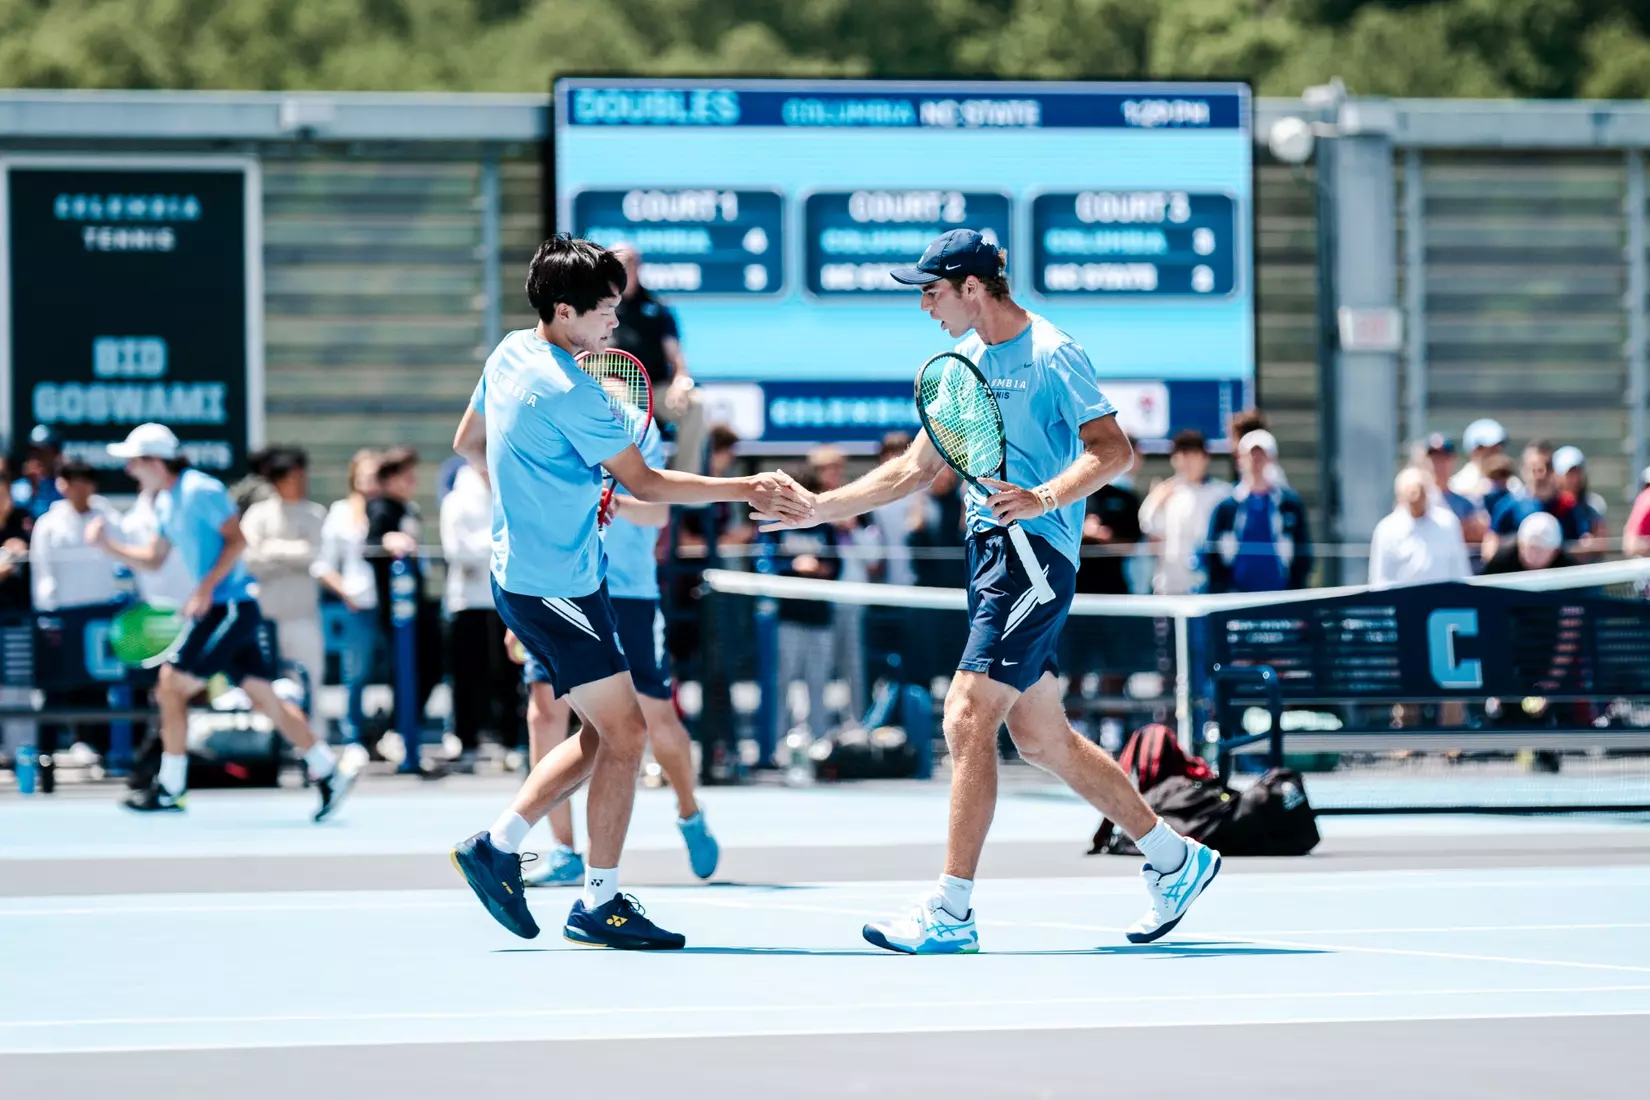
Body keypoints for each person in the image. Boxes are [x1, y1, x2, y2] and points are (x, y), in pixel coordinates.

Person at [755, 228, 1219, 954]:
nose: (925, 307)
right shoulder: (958, 366)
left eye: (932, 292)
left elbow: (1113, 452)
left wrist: (1043, 495)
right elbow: (910, 471)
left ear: (974, 287)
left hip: (1033, 558)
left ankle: (951, 911)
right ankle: (1173, 858)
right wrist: (818, 507)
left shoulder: (1054, 354)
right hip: (991, 557)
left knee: (966, 714)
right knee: (1040, 738)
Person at [446, 234, 810, 949]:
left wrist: (545, 489)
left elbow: (468, 443)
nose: (616, 322)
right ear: (564, 309)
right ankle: (593, 899)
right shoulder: (572, 391)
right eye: (606, 311)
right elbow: (647, 484)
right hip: (557, 586)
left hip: (534, 573)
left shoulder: (510, 354)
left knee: (606, 732)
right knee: (628, 731)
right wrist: (748, 486)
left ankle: (505, 849)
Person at [87, 423, 356, 819]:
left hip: (230, 608)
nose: (129, 470)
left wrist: (205, 588)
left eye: (134, 462)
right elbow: (154, 557)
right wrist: (106, 546)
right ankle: (328, 771)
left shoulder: (201, 489)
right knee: (264, 697)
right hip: (219, 607)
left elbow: (238, 539)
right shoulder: (163, 501)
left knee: (170, 684)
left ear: (155, 461)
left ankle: (171, 787)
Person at [514, 417, 719, 888]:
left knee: (653, 718)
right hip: (556, 590)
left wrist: (618, 502)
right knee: (544, 713)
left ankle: (689, 811)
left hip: (627, 596)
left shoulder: (636, 432)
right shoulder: (551, 424)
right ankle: (564, 849)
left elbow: (658, 512)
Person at [440, 460, 521, 770]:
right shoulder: (456, 500)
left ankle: (510, 741)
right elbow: (457, 552)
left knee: (508, 673)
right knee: (468, 674)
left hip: (508, 598)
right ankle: (467, 740)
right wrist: (497, 547)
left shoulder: (511, 492)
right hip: (469, 601)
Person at [241, 449, 334, 713]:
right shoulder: (258, 515)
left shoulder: (314, 514)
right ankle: (268, 747)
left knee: (310, 685)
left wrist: (272, 549)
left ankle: (312, 744)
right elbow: (249, 559)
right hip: (264, 619)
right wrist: (292, 552)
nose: (300, 481)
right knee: (262, 688)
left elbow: (316, 556)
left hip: (303, 617)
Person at [758, 465, 845, 748]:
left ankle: (820, 744)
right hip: (786, 616)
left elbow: (837, 565)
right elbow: (764, 564)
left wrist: (820, 569)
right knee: (781, 682)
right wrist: (793, 567)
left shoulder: (825, 524)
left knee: (819, 683)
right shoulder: (773, 525)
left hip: (820, 615)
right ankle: (775, 745)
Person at [367, 446, 443, 748]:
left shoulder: (409, 509)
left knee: (431, 665)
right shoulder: (381, 507)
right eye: (405, 476)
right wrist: (389, 540)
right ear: (388, 479)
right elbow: (372, 540)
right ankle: (395, 729)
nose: (412, 481)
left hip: (417, 600)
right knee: (407, 668)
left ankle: (404, 725)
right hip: (398, 608)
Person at [609, 243, 708, 473]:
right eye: (620, 263)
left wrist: (681, 383)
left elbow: (677, 360)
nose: (626, 268)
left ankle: (686, 485)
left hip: (656, 389)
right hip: (617, 388)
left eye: (631, 263)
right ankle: (630, 477)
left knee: (695, 403)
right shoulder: (600, 306)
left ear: (639, 266)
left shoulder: (657, 309)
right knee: (620, 400)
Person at [317, 450, 381, 745]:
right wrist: (346, 592)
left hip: (394, 604)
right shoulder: (342, 511)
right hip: (359, 603)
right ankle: (352, 735)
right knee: (356, 672)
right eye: (363, 475)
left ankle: (392, 732)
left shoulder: (392, 508)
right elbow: (323, 565)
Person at [1204, 430, 1313, 594]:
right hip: (1236, 599)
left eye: (1262, 455)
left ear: (1272, 460)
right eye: (1251, 455)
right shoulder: (1226, 506)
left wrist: (1296, 592)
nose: (1256, 461)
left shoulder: (1289, 504)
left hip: (1280, 597)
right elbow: (1211, 555)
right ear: (1239, 460)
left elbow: (1303, 554)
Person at [1138, 429, 1230, 595]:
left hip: (1212, 584)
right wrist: (1156, 504)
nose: (1187, 460)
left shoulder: (1223, 493)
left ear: (1205, 457)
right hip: (1171, 584)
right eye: (1181, 454)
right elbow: (1149, 527)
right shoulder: (1164, 492)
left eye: (1193, 454)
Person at [1368, 468, 1471, 588]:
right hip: (1403, 603)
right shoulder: (1385, 530)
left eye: (1421, 489)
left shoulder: (1448, 523)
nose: (1416, 495)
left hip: (1442, 601)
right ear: (1399, 495)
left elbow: (1460, 569)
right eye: (1410, 490)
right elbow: (1379, 579)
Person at [1484, 439, 1585, 561]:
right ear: (1524, 470)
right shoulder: (1508, 506)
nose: (1539, 474)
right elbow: (1491, 545)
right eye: (1533, 468)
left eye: (1546, 466)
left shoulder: (1568, 507)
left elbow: (1582, 546)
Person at [1076, 439, 1142, 594]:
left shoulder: (1126, 498)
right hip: (1075, 589)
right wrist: (1083, 532)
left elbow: (1132, 546)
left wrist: (1104, 536)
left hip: (1114, 587)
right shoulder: (1066, 499)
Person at [1415, 434, 1487, 553]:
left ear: (1453, 459)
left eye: (1444, 457)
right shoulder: (1415, 498)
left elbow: (1479, 536)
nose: (1438, 463)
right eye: (1434, 457)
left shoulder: (1465, 501)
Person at [869, 432, 917, 586]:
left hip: (925, 583)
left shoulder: (927, 496)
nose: (894, 460)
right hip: (887, 588)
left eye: (901, 453)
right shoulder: (872, 499)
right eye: (889, 454)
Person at [1553, 446, 1608, 559]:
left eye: (1578, 472)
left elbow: (1602, 543)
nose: (1575, 478)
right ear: (1557, 476)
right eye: (1569, 473)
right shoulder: (1550, 505)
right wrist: (1574, 548)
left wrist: (1592, 544)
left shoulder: (1595, 504)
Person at [1481, 510, 1578, 575]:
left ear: (1555, 551)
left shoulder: (1568, 571)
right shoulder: (1500, 563)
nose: (1533, 555)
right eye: (1530, 547)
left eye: (1540, 549)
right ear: (1520, 544)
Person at [1451, 418, 1517, 504]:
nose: (1495, 454)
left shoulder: (1513, 484)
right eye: (1489, 449)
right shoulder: (1459, 484)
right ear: (1473, 451)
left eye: (1498, 447)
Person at [11, 424, 64, 520]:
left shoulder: (63, 487)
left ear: (55, 454)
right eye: (34, 452)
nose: (38, 458)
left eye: (44, 452)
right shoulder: (17, 488)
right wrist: (33, 486)